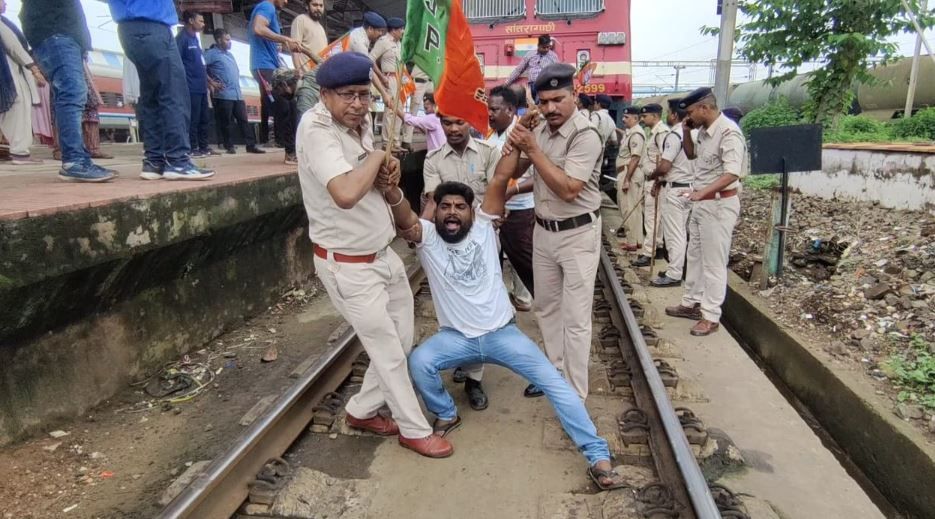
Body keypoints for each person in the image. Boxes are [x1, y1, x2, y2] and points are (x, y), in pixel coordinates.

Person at [382, 175, 628, 490]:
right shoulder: (427, 237)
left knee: (556, 383)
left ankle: (598, 457)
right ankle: (446, 413)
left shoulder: (485, 227)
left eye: (460, 206)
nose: (452, 212)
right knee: (419, 362)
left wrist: (518, 145)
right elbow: (405, 219)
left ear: (472, 212)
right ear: (436, 211)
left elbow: (500, 178)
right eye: (445, 206)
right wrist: (391, 189)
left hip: (503, 336)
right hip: (456, 339)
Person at [295, 51, 452, 458]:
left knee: (401, 342)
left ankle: (362, 410)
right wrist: (379, 157)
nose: (359, 105)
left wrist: (386, 175)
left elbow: (365, 182)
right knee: (387, 353)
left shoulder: (359, 125)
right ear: (325, 94)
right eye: (348, 96)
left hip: (382, 255)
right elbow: (345, 193)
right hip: (348, 265)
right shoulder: (316, 129)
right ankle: (413, 429)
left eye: (364, 96)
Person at [498, 63, 603, 401]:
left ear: (574, 96)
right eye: (543, 102)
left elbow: (569, 188)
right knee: (546, 308)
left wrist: (531, 149)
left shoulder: (584, 134)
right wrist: (515, 140)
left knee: (575, 318)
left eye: (558, 99)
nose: (550, 109)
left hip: (577, 234)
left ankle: (574, 394)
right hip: (543, 230)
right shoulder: (540, 130)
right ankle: (553, 372)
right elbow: (511, 171)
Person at [421, 111, 501, 410]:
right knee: (453, 309)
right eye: (447, 123)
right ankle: (462, 357)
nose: (453, 128)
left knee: (479, 311)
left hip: (482, 242)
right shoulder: (433, 159)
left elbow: (497, 191)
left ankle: (474, 380)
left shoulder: (489, 152)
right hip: (447, 243)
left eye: (459, 121)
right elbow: (433, 200)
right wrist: (420, 232)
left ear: (471, 123)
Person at [665, 87, 747, 336]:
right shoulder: (701, 132)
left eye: (690, 112)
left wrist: (703, 193)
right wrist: (687, 131)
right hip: (702, 203)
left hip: (719, 204)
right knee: (696, 256)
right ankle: (691, 303)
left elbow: (732, 172)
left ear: (704, 107)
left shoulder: (729, 133)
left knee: (714, 263)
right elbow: (691, 155)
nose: (688, 117)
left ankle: (711, 316)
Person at [109, 0, 214, 181]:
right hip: (153, 26)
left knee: (150, 95)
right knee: (174, 93)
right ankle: (177, 160)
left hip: (128, 30)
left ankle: (154, 161)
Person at [21, 0, 113, 181]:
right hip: (56, 32)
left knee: (70, 94)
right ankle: (74, 161)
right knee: (72, 92)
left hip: (62, 33)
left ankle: (78, 159)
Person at [486, 86, 534, 313]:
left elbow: (538, 179)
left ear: (510, 109)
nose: (490, 114)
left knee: (521, 257)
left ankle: (526, 298)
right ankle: (498, 300)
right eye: (489, 109)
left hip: (519, 209)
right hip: (494, 210)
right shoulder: (490, 133)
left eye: (495, 110)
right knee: (493, 255)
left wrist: (512, 193)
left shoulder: (524, 134)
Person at [649, 99, 696, 288]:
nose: (667, 115)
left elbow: (665, 165)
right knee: (682, 233)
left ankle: (674, 273)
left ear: (675, 115)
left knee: (674, 234)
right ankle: (675, 269)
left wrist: (653, 175)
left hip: (676, 189)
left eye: (669, 112)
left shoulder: (674, 135)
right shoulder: (694, 134)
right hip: (689, 187)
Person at [249, 0, 302, 164]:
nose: (286, 1)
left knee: (292, 104)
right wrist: (284, 38)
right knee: (284, 106)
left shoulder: (271, 11)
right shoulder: (267, 7)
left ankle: (292, 149)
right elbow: (258, 28)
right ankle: (290, 152)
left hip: (272, 65)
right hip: (263, 65)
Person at [206, 29, 265, 155]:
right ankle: (229, 146)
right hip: (223, 94)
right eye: (227, 40)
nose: (229, 42)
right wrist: (211, 82)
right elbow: (201, 67)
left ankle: (251, 145)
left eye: (230, 39)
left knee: (244, 120)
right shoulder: (211, 54)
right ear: (219, 40)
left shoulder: (230, 55)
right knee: (226, 122)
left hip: (237, 94)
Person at [0, 1, 45, 165]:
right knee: (18, 109)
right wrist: (34, 68)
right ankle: (20, 153)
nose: (4, 3)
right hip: (8, 75)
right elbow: (14, 46)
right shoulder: (2, 23)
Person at [630, 103, 669, 267]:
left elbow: (665, 159)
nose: (643, 119)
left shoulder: (661, 133)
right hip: (653, 179)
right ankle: (657, 247)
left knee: (652, 218)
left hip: (655, 180)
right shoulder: (654, 133)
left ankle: (648, 253)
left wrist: (658, 180)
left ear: (655, 116)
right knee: (656, 217)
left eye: (645, 116)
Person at [177, 11, 219, 158]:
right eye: (200, 21)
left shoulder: (195, 39)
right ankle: (192, 147)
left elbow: (200, 64)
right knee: (193, 119)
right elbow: (177, 64)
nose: (203, 24)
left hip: (201, 87)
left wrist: (209, 81)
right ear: (190, 21)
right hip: (190, 87)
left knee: (204, 118)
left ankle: (204, 147)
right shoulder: (182, 39)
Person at [615, 106, 646, 251]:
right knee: (634, 208)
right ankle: (637, 240)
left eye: (627, 117)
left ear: (635, 118)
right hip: (628, 172)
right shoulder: (631, 133)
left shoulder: (636, 134)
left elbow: (635, 158)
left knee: (628, 208)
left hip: (630, 173)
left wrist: (627, 179)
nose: (623, 119)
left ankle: (632, 242)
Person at [371, 17, 405, 145]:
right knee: (390, 110)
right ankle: (386, 142)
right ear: (393, 30)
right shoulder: (383, 41)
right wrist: (381, 76)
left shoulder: (399, 43)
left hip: (400, 79)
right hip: (389, 78)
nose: (403, 31)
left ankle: (395, 141)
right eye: (401, 29)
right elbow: (371, 59)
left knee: (399, 111)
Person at [505, 34, 559, 100]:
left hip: (546, 85)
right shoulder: (530, 55)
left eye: (548, 47)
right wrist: (506, 83)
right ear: (538, 46)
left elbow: (557, 72)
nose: (546, 49)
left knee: (539, 101)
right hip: (533, 85)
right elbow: (518, 70)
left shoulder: (553, 56)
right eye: (544, 47)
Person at [291, 0, 327, 75]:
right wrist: (298, 71)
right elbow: (295, 47)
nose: (318, 8)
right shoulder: (301, 20)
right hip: (306, 76)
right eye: (315, 5)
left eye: (321, 5)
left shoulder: (321, 28)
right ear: (307, 6)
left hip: (320, 76)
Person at [402, 65, 431, 150]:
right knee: (413, 112)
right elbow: (407, 61)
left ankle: (435, 139)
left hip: (432, 81)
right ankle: (406, 141)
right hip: (418, 81)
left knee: (435, 112)